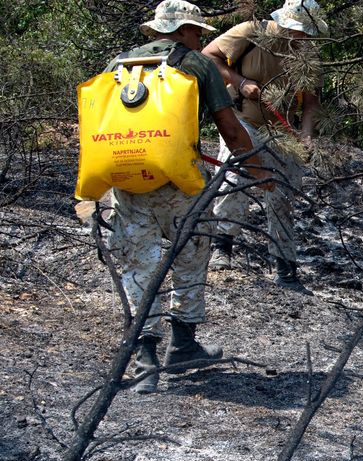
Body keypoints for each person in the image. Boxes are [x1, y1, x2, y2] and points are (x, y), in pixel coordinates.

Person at [104, 0, 267, 394]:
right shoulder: (197, 65)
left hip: (128, 181)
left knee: (138, 264)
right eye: (195, 31)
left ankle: (145, 361)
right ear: (179, 31)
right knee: (191, 256)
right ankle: (183, 346)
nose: (199, 38)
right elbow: (229, 127)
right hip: (181, 183)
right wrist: (261, 173)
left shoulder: (118, 65)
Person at [202, 0, 327, 291]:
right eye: (297, 30)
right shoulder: (251, 31)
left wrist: (306, 137)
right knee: (236, 180)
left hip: (284, 130)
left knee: (283, 194)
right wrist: (240, 80)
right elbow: (208, 56)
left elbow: (310, 104)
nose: (301, 37)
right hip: (242, 119)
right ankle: (223, 247)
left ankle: (285, 267)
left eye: (306, 33)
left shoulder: (309, 54)